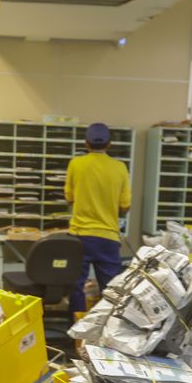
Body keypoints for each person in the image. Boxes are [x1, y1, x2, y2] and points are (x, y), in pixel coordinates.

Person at [65, 122, 131, 315]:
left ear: (86, 143)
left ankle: (77, 328)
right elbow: (125, 205)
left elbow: (69, 197)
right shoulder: (120, 168)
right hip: (108, 238)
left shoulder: (76, 164)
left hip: (80, 236)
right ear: (109, 144)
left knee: (76, 286)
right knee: (111, 290)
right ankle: (108, 329)